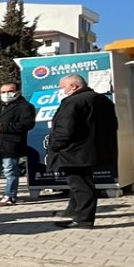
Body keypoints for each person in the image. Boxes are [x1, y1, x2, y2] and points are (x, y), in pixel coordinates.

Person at [48, 73, 118, 229]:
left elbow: (65, 129)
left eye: (63, 87)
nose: (62, 90)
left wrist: (54, 146)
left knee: (81, 186)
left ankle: (83, 220)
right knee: (81, 185)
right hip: (92, 150)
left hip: (74, 152)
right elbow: (113, 125)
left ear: (74, 86)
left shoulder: (73, 101)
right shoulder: (102, 100)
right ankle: (74, 212)